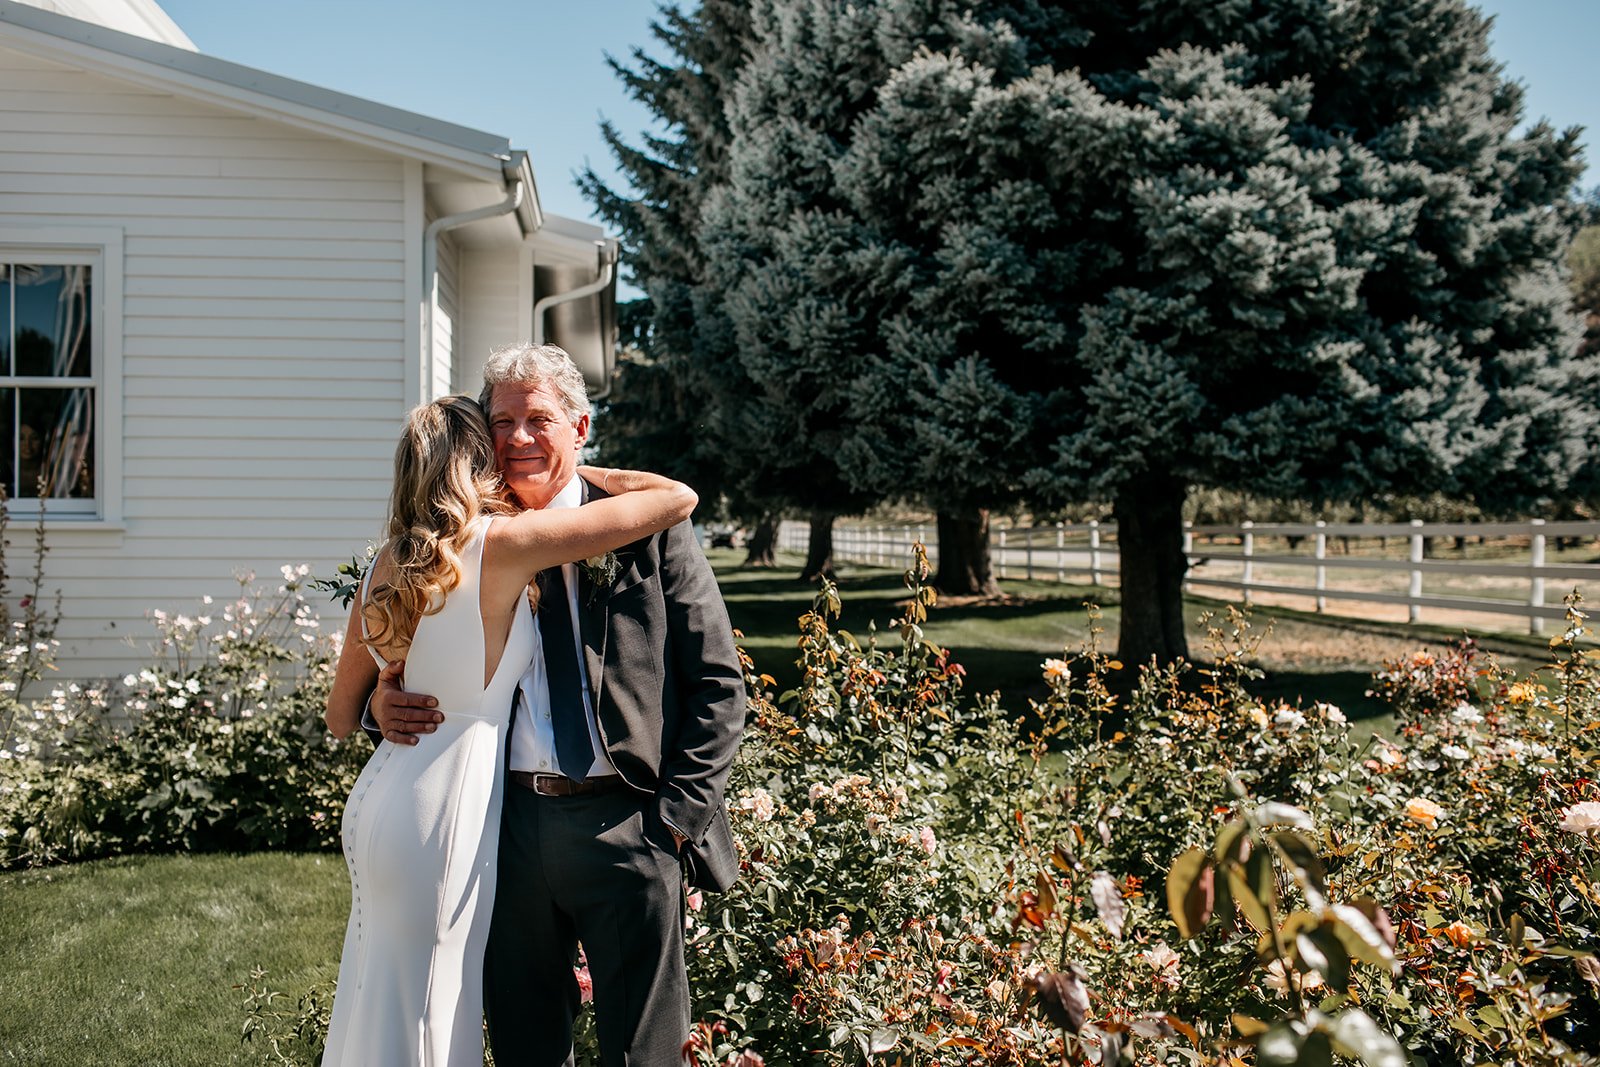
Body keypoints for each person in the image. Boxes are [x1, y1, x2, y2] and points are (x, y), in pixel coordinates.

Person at [370, 343, 746, 1066]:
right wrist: (380, 710)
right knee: (523, 1046)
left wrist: (672, 823)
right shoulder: (458, 539)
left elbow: (719, 685)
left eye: (539, 419)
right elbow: (386, 662)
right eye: (501, 420)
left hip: (629, 822)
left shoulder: (647, 525)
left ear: (580, 427)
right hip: (500, 829)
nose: (517, 438)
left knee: (645, 1053)